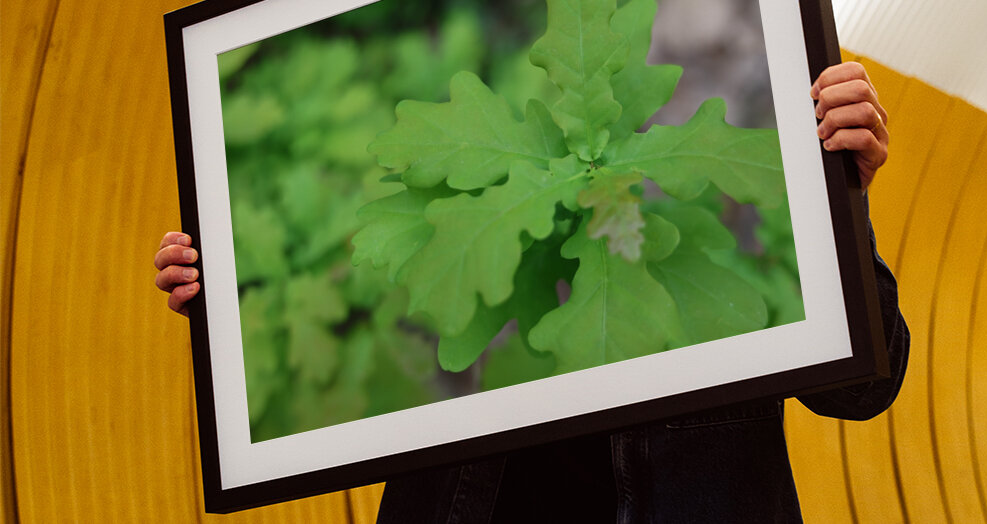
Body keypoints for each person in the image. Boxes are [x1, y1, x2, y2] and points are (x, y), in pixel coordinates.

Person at [154, 62, 908, 523]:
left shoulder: (740, 236)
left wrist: (839, 197)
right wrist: (237, 300)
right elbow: (372, 326)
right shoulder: (485, 232)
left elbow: (866, 387)